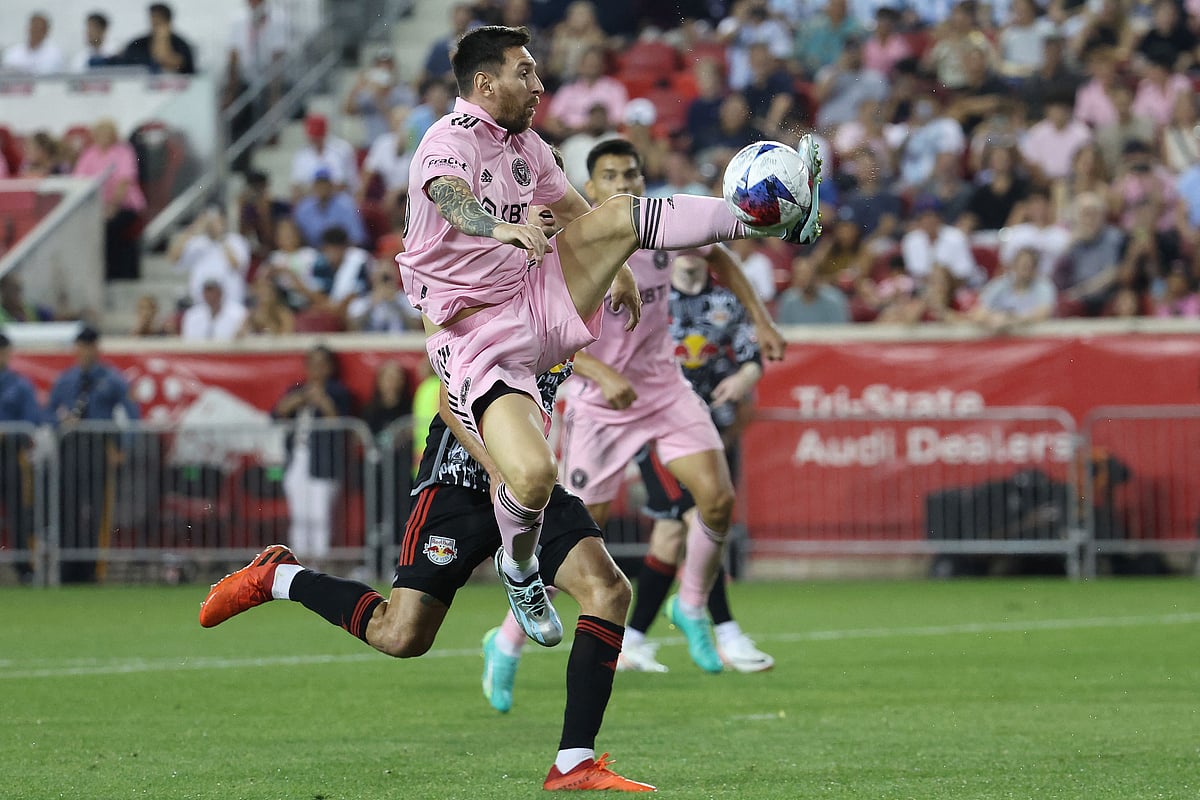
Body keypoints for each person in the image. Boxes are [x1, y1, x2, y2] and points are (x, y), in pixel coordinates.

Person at [395, 25, 821, 648]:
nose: (539, 85)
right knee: (534, 478)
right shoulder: (445, 141)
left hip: (531, 299)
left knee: (620, 213)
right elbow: (450, 197)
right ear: (485, 84)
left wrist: (616, 269)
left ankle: (763, 217)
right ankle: (519, 568)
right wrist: (498, 228)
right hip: (472, 335)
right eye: (525, 73)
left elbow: (576, 211)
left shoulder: (527, 145)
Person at [199, 358, 657, 792]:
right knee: (401, 636)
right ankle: (281, 577)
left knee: (608, 589)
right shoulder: (494, 292)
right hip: (458, 483)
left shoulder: (568, 301)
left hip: (528, 484)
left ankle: (573, 762)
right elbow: (447, 399)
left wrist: (619, 280)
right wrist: (497, 470)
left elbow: (576, 339)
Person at [479, 138, 787, 702]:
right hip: (601, 409)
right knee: (570, 538)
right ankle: (504, 643)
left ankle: (691, 605)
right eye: (610, 175)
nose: (624, 183)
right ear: (590, 188)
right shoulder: (567, 245)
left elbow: (719, 253)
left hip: (664, 389)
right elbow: (542, 335)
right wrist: (599, 374)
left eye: (633, 173)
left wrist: (760, 320)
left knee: (717, 499)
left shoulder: (658, 229)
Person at [621, 249, 778, 673]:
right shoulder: (649, 298)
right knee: (699, 521)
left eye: (698, 242)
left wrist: (739, 380)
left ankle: (630, 641)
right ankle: (726, 632)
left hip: (711, 431)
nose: (688, 250)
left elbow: (751, 359)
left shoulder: (727, 302)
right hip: (657, 429)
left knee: (671, 537)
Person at [46, 327, 140, 583]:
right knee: (68, 509)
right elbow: (48, 413)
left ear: (96, 349)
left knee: (97, 511)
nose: (84, 352)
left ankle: (93, 570)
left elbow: (132, 414)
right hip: (71, 448)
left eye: (88, 346)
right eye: (80, 346)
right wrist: (61, 422)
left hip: (99, 448)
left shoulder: (112, 379)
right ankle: (68, 569)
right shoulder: (66, 380)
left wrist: (123, 448)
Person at [272, 346, 353, 567]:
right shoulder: (297, 389)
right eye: (312, 364)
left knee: (320, 514)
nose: (317, 369)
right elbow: (277, 413)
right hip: (297, 457)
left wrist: (322, 400)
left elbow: (341, 422)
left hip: (324, 460)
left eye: (322, 364)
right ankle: (297, 564)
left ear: (330, 367)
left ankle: (319, 564)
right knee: (299, 515)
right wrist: (299, 400)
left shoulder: (338, 391)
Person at [72, 119, 147, 281]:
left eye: (107, 134)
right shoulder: (89, 153)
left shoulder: (123, 152)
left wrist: (112, 207)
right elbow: (78, 181)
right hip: (96, 207)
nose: (103, 137)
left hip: (125, 205)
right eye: (99, 134)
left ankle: (115, 274)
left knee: (109, 226)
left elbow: (124, 181)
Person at [0, 331, 42, 583]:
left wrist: (8, 432)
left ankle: (24, 567)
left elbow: (32, 422)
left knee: (19, 512)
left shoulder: (19, 384)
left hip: (12, 455)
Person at [169, 206, 252, 307]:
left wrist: (220, 236)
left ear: (223, 220)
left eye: (216, 219)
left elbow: (237, 265)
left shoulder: (236, 241)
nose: (212, 224)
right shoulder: (198, 242)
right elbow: (174, 258)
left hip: (230, 304)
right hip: (200, 305)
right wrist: (194, 228)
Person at [969, 246, 1056, 331]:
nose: (1024, 270)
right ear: (1013, 266)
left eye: (1028, 266)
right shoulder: (999, 285)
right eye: (1022, 265)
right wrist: (991, 318)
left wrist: (1011, 320)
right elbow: (978, 313)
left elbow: (1043, 313)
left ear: (1035, 269)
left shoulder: (1044, 286)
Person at [120, 3, 196, 74]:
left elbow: (167, 61)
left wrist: (162, 39)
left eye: (159, 23)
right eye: (153, 22)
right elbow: (125, 64)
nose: (155, 26)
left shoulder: (180, 45)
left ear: (168, 23)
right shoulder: (139, 44)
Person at [774, 255, 851, 324]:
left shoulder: (834, 300)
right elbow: (784, 331)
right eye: (799, 274)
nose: (802, 279)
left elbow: (841, 332)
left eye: (806, 274)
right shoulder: (787, 300)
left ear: (816, 276)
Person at [179, 279, 248, 342]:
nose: (209, 294)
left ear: (220, 292)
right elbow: (187, 340)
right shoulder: (192, 314)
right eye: (206, 291)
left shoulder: (239, 313)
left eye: (212, 291)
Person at [239, 272, 295, 336]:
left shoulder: (283, 313)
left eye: (267, 288)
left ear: (274, 292)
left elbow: (286, 336)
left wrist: (266, 324)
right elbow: (240, 335)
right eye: (260, 288)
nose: (263, 292)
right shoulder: (252, 314)